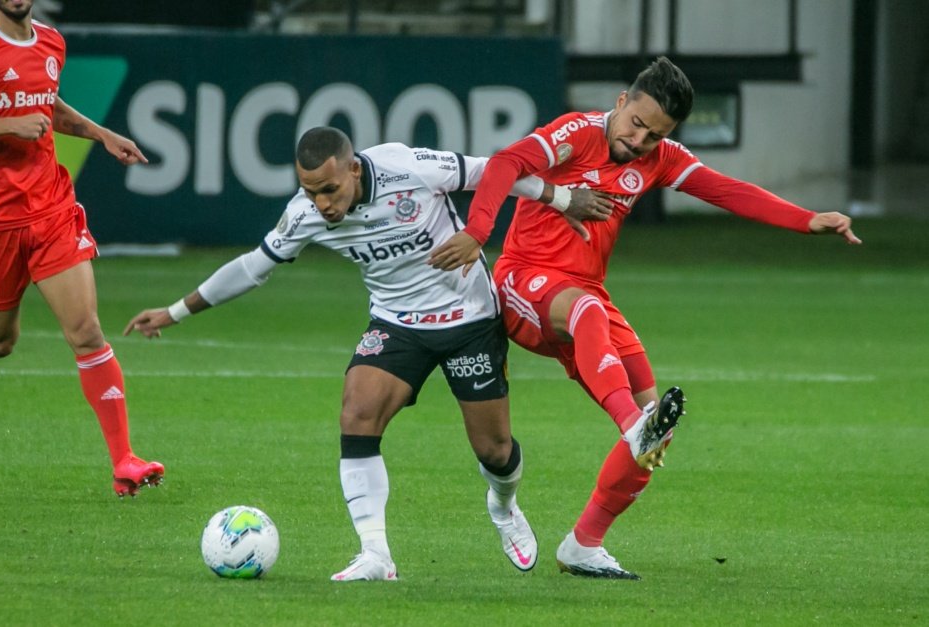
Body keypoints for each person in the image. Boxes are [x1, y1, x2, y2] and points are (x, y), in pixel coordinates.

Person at [430, 56, 862, 579]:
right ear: (621, 102)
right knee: (628, 399)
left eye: (655, 136)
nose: (640, 141)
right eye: (637, 124)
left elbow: (726, 190)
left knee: (660, 429)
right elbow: (502, 165)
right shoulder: (576, 132)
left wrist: (806, 219)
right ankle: (631, 427)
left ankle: (584, 543)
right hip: (526, 282)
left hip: (587, 295)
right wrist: (479, 232)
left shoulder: (658, 158)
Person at [123, 127, 611, 581]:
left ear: (353, 168)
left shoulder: (408, 167)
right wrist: (174, 311)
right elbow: (253, 267)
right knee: (357, 413)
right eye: (311, 191)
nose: (322, 203)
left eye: (329, 189)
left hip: (468, 318)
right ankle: (376, 553)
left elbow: (495, 170)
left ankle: (503, 506)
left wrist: (562, 197)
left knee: (495, 450)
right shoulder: (303, 214)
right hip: (396, 325)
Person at [0, 0, 164, 497]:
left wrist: (100, 133)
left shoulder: (51, 42)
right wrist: (5, 126)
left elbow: (48, 104)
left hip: (50, 209)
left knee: (86, 330)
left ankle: (124, 461)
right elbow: (19, 117)